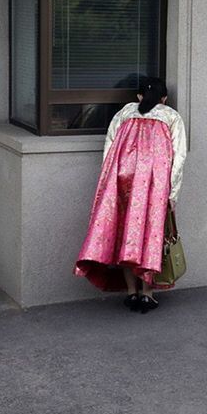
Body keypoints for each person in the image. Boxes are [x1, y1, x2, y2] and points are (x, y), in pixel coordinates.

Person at [73, 77, 187, 314]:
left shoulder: (124, 113)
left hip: (122, 182)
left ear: (138, 97)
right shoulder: (171, 117)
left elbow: (109, 146)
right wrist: (172, 192)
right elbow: (178, 158)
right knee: (150, 236)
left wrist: (108, 183)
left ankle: (131, 292)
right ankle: (147, 294)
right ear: (164, 98)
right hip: (154, 187)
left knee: (127, 234)